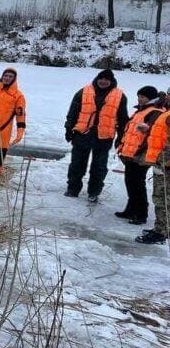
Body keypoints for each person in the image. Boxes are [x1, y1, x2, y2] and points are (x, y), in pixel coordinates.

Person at [63, 69, 129, 202]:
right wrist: (69, 129)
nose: (103, 81)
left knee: (99, 167)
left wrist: (121, 137)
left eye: (106, 79)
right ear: (97, 78)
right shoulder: (83, 91)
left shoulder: (120, 96)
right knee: (77, 164)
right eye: (101, 78)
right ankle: (73, 189)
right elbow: (73, 112)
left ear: (111, 81)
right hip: (82, 134)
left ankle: (94, 192)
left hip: (104, 137)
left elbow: (123, 119)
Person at [115, 87, 165, 225]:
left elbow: (156, 131)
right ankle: (131, 209)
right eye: (139, 96)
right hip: (131, 153)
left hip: (141, 154)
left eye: (143, 97)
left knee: (137, 183)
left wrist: (147, 130)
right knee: (130, 181)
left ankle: (141, 213)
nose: (140, 99)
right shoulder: (140, 110)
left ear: (151, 98)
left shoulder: (155, 111)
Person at [136, 101, 170, 245]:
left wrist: (164, 161)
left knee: (163, 198)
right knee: (160, 197)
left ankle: (161, 232)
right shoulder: (167, 113)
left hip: (165, 165)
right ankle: (161, 228)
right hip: (161, 162)